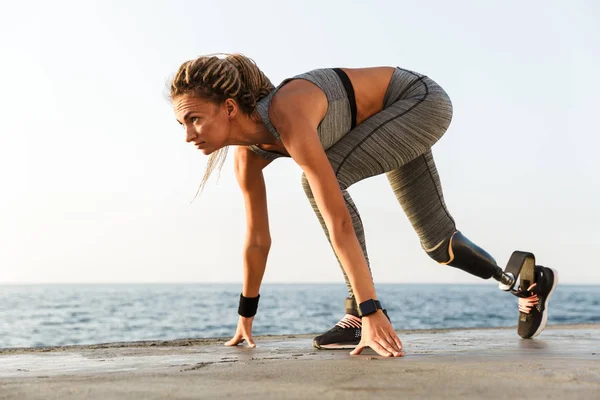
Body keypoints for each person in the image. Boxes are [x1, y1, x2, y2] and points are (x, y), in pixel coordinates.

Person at [169, 53, 558, 357]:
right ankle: (526, 283)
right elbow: (256, 240)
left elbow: (337, 217)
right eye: (182, 124)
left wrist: (370, 311)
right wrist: (245, 318)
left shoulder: (287, 112)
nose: (188, 135)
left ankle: (359, 314)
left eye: (194, 119)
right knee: (440, 245)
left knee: (322, 181)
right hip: (383, 123)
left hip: (417, 101)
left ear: (230, 108)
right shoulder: (248, 155)